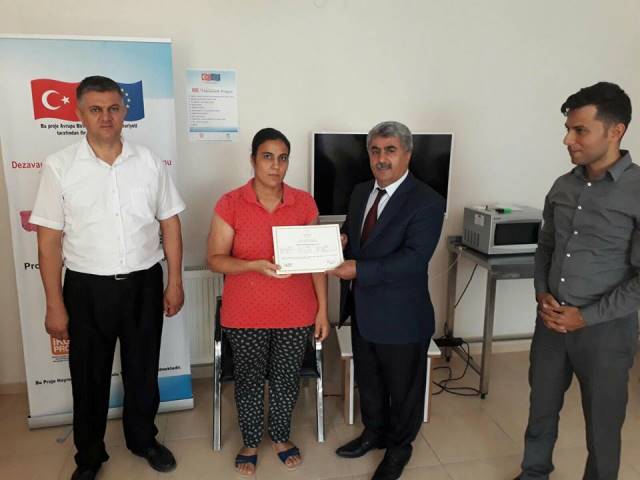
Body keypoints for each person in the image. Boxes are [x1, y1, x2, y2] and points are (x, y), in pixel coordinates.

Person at [30, 76, 185, 480]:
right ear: (79, 114)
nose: (106, 117)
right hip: (87, 289)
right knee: (89, 377)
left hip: (143, 283)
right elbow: (48, 243)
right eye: (95, 109)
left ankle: (143, 439)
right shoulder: (60, 166)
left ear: (124, 111)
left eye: (113, 108)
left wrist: (174, 281)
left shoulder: (148, 162)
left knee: (142, 370)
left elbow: (170, 224)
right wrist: (54, 304)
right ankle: (90, 456)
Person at [515, 82, 639, 480]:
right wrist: (541, 293)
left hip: (606, 332)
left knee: (603, 425)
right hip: (551, 324)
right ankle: (534, 473)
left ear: (615, 131)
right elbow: (546, 247)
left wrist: (585, 317)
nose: (568, 139)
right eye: (568, 129)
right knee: (541, 410)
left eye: (580, 130)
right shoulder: (563, 186)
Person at [207, 127, 330, 477]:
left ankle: (279, 437)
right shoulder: (231, 203)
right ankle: (249, 442)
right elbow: (215, 259)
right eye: (267, 157)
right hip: (245, 314)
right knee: (248, 380)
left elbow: (316, 262)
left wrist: (323, 310)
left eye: (282, 158)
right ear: (252, 160)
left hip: (296, 312)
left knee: (286, 379)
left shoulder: (303, 203)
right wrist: (252, 266)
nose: (276, 165)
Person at [330, 121, 445, 480]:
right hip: (363, 311)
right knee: (370, 380)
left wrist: (358, 269)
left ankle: (399, 449)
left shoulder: (427, 201)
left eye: (390, 150)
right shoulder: (360, 191)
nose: (381, 158)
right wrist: (342, 239)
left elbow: (413, 259)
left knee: (403, 389)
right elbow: (356, 231)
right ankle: (374, 433)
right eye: (375, 151)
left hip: (402, 317)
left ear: (407, 154)